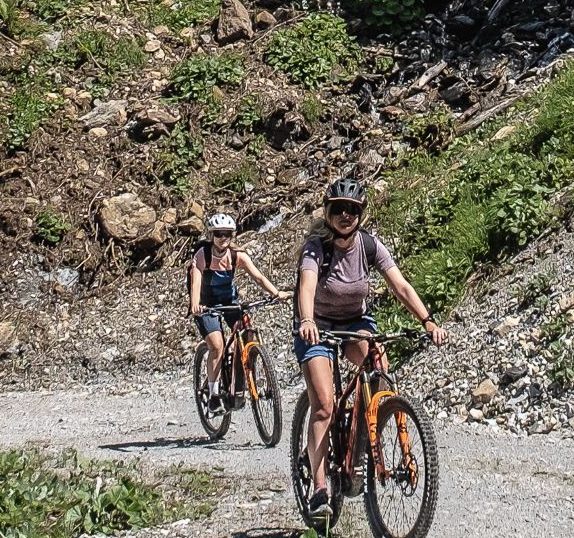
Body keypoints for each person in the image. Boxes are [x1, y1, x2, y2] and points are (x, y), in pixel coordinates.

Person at [293, 180, 435, 504]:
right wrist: (307, 321)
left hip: (355, 322)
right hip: (316, 325)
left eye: (353, 210)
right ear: (328, 212)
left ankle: (360, 448)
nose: (346, 215)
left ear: (361, 213)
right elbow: (307, 287)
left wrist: (427, 320)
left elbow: (401, 286)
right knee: (325, 406)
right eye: (339, 209)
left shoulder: (369, 246)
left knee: (379, 372)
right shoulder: (317, 247)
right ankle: (319, 487)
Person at [186, 209, 283, 392]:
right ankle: (213, 392)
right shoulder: (202, 255)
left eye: (227, 234)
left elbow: (259, 278)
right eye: (218, 234)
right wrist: (195, 304)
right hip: (206, 305)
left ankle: (248, 376)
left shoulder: (236, 255)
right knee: (216, 345)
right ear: (211, 235)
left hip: (229, 301)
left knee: (248, 334)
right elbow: (196, 280)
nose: (223, 238)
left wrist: (276, 293)